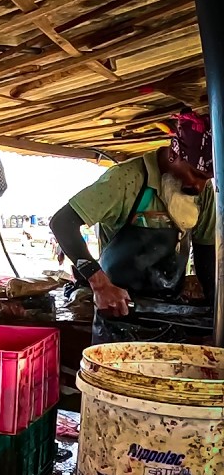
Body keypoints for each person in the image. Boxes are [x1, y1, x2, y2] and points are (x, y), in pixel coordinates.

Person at [50, 111, 216, 341]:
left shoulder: (204, 193)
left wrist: (216, 306)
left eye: (207, 178)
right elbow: (62, 223)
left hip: (172, 318)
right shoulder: (126, 180)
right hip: (118, 316)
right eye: (195, 174)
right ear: (174, 154)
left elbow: (206, 253)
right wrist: (100, 285)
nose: (199, 186)